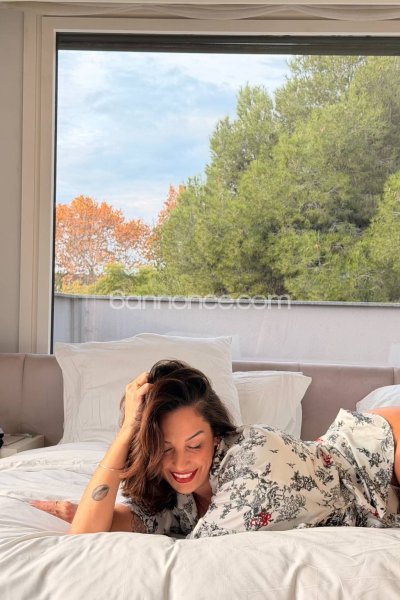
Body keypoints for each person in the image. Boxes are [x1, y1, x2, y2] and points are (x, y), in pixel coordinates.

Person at [31, 359, 400, 538]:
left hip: (375, 450)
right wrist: (128, 431)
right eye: (163, 448)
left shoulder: (252, 464)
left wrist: (106, 518)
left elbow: (199, 554)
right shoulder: (177, 498)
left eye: (195, 444)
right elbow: (84, 539)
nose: (180, 463)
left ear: (216, 435)